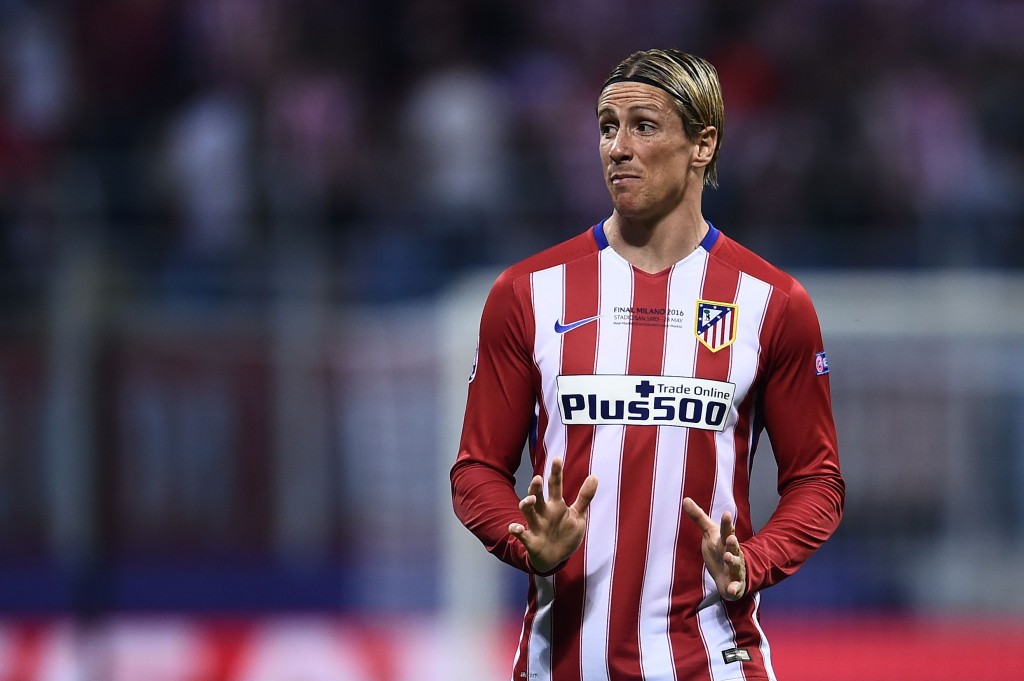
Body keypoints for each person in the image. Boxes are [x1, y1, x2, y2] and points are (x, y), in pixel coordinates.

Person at [450, 48, 845, 681]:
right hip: (566, 663)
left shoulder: (773, 303)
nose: (617, 148)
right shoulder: (526, 293)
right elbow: (475, 471)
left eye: (644, 125)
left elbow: (817, 482)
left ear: (703, 145)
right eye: (607, 127)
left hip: (715, 660)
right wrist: (526, 541)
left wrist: (755, 560)